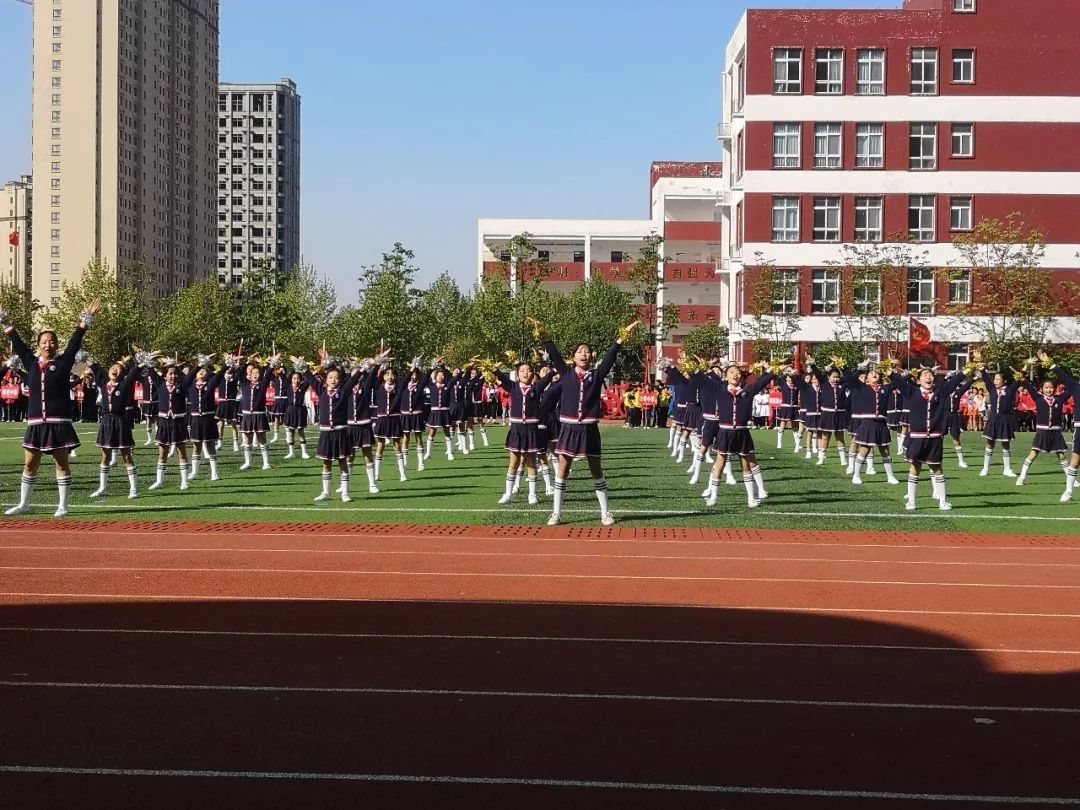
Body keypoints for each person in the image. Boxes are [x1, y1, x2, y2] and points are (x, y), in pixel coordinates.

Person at [532, 317, 641, 526]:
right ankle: (556, 512)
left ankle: (606, 512)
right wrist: (543, 335)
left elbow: (611, 356)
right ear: (573, 357)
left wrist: (621, 338)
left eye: (587, 351)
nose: (584, 354)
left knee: (596, 470)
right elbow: (553, 353)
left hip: (589, 430)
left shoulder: (597, 375)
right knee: (562, 470)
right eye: (580, 351)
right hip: (569, 429)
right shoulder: (565, 373)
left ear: (592, 356)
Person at [2, 300, 101, 516]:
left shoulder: (64, 362)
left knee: (61, 463)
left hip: (58, 422)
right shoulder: (30, 362)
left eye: (52, 341)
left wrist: (84, 322)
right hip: (36, 422)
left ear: (56, 344)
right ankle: (24, 504)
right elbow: (17, 342)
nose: (48, 345)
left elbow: (75, 342)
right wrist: (6, 323)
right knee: (29, 464)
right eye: (44, 342)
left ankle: (63, 506)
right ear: (38, 345)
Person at [697, 360, 776, 508]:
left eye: (738, 372)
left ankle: (751, 498)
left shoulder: (747, 391)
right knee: (719, 464)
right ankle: (713, 496)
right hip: (725, 432)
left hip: (742, 433)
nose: (736, 375)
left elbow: (760, 383)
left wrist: (771, 370)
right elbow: (702, 377)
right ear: (726, 376)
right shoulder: (719, 389)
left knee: (746, 466)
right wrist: (700, 367)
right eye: (732, 372)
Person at [899, 367, 971, 511]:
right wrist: (889, 370)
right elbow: (897, 381)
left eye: (931, 375)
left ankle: (943, 501)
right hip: (917, 438)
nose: (928, 377)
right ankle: (912, 501)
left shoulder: (940, 392)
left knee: (937, 468)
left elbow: (954, 381)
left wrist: (969, 368)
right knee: (915, 468)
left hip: (935, 438)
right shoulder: (912, 391)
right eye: (925, 375)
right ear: (918, 380)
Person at [303, 357, 372, 502]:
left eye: (336, 378)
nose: (333, 380)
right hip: (326, 433)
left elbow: (354, 379)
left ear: (340, 380)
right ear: (326, 380)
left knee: (343, 462)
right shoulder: (321, 391)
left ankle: (345, 492)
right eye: (330, 377)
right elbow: (310, 377)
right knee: (326, 463)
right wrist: (303, 367)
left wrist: (363, 368)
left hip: (341, 432)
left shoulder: (344, 391)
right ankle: (326, 492)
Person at [492, 360, 553, 505]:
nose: (526, 373)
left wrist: (551, 366)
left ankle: (532, 494)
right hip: (516, 429)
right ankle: (508, 493)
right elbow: (501, 377)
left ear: (533, 374)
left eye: (529, 370)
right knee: (513, 462)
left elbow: (549, 376)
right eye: (522, 371)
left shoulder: (537, 387)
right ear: (518, 374)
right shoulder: (512, 387)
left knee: (532, 462)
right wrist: (494, 370)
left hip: (531, 430)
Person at [88, 353, 145, 499]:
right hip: (106, 422)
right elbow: (94, 367)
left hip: (120, 422)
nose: (115, 370)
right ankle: (102, 487)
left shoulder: (124, 384)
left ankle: (134, 489)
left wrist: (142, 363)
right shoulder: (103, 382)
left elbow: (134, 374)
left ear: (122, 374)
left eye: (119, 369)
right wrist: (85, 357)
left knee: (126, 456)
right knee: (105, 455)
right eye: (113, 367)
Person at [842, 359, 904, 486]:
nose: (874, 374)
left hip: (881, 423)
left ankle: (890, 476)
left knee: (885, 451)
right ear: (866, 378)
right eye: (871, 373)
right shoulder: (861, 387)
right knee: (864, 449)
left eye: (876, 373)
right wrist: (860, 367)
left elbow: (900, 382)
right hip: (867, 423)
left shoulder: (885, 388)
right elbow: (849, 377)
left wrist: (891, 371)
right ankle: (856, 475)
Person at [145, 357, 192, 491]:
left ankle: (184, 481)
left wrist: (198, 366)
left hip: (178, 423)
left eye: (175, 373)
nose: (173, 376)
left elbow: (190, 376)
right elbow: (151, 371)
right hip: (164, 423)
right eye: (170, 373)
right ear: (165, 375)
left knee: (181, 452)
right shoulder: (159, 384)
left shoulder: (182, 386)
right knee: (162, 453)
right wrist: (147, 360)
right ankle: (159, 481)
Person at [1038, 352, 1080, 501]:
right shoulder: (1076, 387)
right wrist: (1049, 363)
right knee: (1075, 461)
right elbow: (1063, 376)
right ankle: (1068, 491)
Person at [977, 357, 1021, 477]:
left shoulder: (1010, 390)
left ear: (1004, 381)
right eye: (995, 379)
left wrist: (1024, 368)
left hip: (1005, 420)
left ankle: (1007, 469)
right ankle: (985, 468)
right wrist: (982, 369)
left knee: (1005, 444)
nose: (995, 381)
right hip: (993, 419)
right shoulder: (992, 389)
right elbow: (986, 379)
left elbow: (1018, 381)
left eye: (998, 379)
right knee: (990, 443)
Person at [184, 356, 226, 482]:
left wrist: (226, 366)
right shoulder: (190, 386)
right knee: (196, 446)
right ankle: (194, 472)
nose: (203, 372)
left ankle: (214, 473)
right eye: (200, 371)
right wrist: (198, 365)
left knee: (210, 445)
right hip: (196, 419)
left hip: (208, 419)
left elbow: (218, 377)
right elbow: (186, 379)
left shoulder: (210, 384)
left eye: (205, 371)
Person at [237, 355, 279, 471]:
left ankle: (266, 463)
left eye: (257, 372)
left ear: (260, 374)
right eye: (252, 372)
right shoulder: (245, 384)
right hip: (247, 416)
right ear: (249, 374)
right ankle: (247, 462)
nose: (254, 374)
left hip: (259, 415)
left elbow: (268, 375)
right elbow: (238, 371)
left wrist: (271, 364)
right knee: (247, 440)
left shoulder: (262, 385)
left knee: (262, 438)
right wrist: (243, 362)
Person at [807, 357, 848, 468]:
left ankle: (843, 459)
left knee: (840, 437)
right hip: (827, 414)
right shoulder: (824, 384)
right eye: (834, 377)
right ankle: (821, 458)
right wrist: (813, 364)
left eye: (837, 377)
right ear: (828, 377)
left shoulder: (842, 385)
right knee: (825, 437)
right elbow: (818, 374)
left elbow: (849, 376)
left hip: (839, 414)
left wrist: (841, 363)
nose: (836, 379)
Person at [400, 360, 430, 472]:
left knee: (419, 438)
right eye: (411, 374)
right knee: (405, 438)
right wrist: (411, 368)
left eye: (415, 374)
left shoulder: (420, 385)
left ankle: (421, 463)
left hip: (417, 414)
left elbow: (425, 378)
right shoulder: (403, 386)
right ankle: (405, 463)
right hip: (405, 415)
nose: (413, 376)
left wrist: (419, 367)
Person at [424, 362, 457, 461]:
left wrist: (456, 372)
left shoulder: (448, 385)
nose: (441, 377)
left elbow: (454, 379)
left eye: (442, 375)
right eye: (439, 375)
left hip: (445, 412)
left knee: (447, 432)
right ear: (436, 376)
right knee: (432, 432)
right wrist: (431, 368)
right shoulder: (431, 385)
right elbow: (425, 379)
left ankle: (450, 453)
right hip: (434, 412)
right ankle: (428, 453)